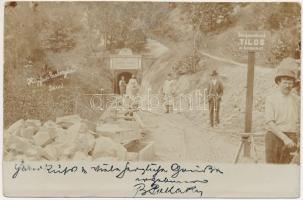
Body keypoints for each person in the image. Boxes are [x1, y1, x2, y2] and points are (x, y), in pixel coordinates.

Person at [265, 58, 300, 164]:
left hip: (292, 138)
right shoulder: (271, 99)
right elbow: (270, 123)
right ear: (279, 83)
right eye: (285, 82)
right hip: (274, 138)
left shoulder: (297, 100)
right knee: (272, 171)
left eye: (290, 83)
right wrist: (285, 139)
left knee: (288, 172)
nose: (288, 86)